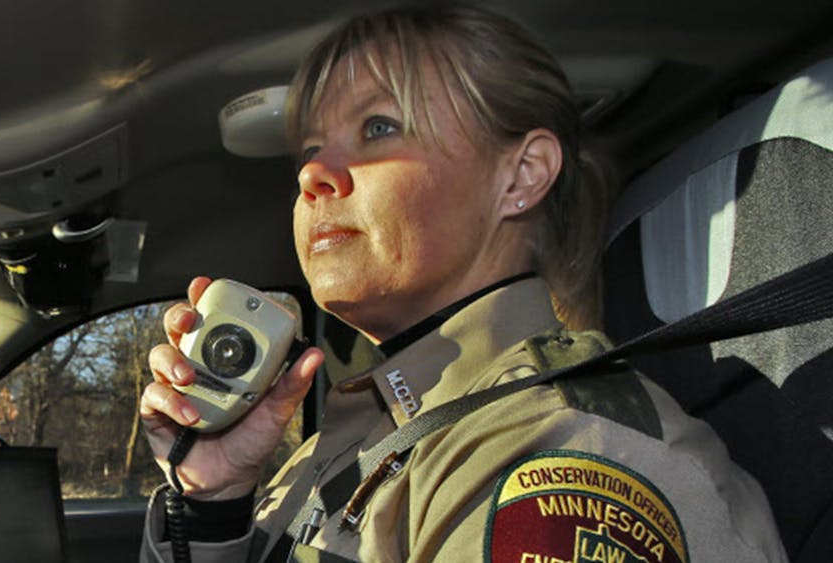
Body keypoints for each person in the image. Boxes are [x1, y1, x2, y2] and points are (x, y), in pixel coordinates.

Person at [137, 4, 786, 562]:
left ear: (523, 175)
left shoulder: (556, 453)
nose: (314, 175)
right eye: (310, 150)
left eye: (378, 128)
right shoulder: (340, 441)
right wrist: (212, 505)